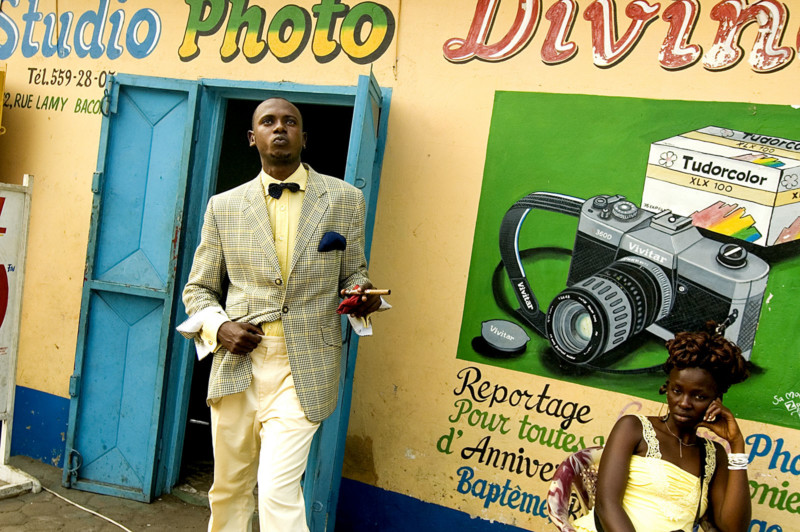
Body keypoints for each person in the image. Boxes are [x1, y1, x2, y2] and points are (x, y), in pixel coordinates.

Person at [179, 97, 382, 531]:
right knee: (229, 487)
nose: (279, 128)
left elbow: (355, 274)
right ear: (252, 138)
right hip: (238, 363)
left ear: (303, 137)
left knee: (276, 489)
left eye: (290, 122)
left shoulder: (344, 200)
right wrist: (220, 327)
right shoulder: (224, 206)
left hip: (304, 364)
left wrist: (362, 295)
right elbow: (197, 289)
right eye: (268, 122)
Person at [573, 322, 752, 532]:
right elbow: (607, 505)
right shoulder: (633, 428)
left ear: (716, 401)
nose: (684, 403)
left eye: (699, 396)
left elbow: (734, 528)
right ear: (667, 388)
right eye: (677, 391)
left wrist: (737, 445)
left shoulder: (714, 456)